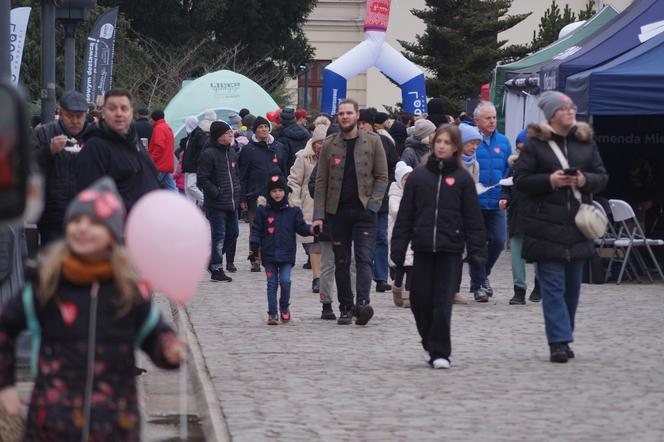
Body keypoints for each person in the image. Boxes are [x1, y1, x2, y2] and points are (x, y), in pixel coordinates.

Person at [0, 178, 185, 439]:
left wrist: (169, 350)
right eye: (76, 221)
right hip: (53, 424)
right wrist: (5, 385)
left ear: (112, 233)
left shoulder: (128, 290)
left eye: (94, 223)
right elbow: (5, 326)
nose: (82, 228)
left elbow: (154, 334)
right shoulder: (48, 285)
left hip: (114, 424)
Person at [514, 91, 608, 363]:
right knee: (553, 287)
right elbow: (521, 180)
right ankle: (558, 342)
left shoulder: (585, 140)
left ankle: (564, 336)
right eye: (565, 108)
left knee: (571, 290)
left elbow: (602, 177)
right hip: (546, 226)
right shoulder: (535, 145)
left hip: (578, 226)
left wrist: (583, 180)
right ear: (552, 114)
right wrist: (550, 181)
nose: (570, 111)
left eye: (572, 107)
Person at [391, 125, 487, 369]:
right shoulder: (419, 178)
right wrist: (399, 249)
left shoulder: (463, 179)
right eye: (439, 141)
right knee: (420, 302)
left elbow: (472, 219)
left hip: (450, 249)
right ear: (433, 144)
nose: (442, 146)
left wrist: (477, 251)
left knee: (442, 303)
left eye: (447, 142)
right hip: (422, 248)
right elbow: (405, 216)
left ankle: (441, 351)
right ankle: (428, 342)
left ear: (455, 147)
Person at [313, 98, 388, 326]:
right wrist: (318, 215)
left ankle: (362, 304)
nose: (345, 117)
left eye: (349, 113)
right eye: (341, 113)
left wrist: (374, 204)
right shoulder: (329, 144)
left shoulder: (373, 142)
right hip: (337, 213)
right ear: (338, 116)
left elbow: (383, 177)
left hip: (365, 212)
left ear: (357, 116)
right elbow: (321, 182)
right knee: (342, 261)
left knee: (364, 258)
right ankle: (345, 307)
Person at [77, 89, 160, 213]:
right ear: (103, 113)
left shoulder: (134, 141)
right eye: (112, 108)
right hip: (119, 226)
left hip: (148, 221)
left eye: (124, 108)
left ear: (131, 113)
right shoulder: (95, 147)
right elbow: (91, 198)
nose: (119, 113)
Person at [250, 172, 313, 325]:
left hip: (286, 253)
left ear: (285, 191)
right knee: (271, 283)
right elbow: (256, 230)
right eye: (273, 191)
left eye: (280, 190)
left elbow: (301, 228)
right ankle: (272, 313)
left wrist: (313, 230)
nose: (277, 194)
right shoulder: (263, 211)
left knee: (285, 281)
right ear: (268, 193)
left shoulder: (293, 211)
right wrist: (254, 249)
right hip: (269, 253)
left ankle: (284, 307)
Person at [33, 91, 92, 245]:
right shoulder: (45, 132)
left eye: (79, 116)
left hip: (87, 214)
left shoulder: (94, 135)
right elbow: (29, 164)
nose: (75, 121)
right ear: (60, 113)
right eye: (70, 116)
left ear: (86, 115)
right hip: (53, 214)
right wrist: (49, 151)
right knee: (52, 263)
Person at [469, 101, 511, 301]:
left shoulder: (503, 142)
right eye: (488, 118)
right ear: (477, 120)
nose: (492, 121)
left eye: (494, 117)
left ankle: (483, 275)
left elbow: (508, 171)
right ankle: (478, 286)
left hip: (496, 202)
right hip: (474, 202)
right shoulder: (470, 141)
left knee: (498, 241)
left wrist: (504, 195)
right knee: (476, 245)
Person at [358, 109, 399, 293]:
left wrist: (383, 185)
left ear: (371, 124)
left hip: (380, 198)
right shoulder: (352, 142)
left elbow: (394, 168)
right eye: (359, 123)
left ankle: (381, 277)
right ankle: (362, 274)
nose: (361, 127)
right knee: (361, 239)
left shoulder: (384, 142)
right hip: (358, 199)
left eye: (364, 123)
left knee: (381, 237)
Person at [239, 116, 287, 272]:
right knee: (256, 229)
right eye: (260, 127)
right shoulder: (248, 150)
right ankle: (255, 259)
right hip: (256, 194)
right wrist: (243, 197)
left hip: (276, 194)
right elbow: (242, 175)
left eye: (266, 127)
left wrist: (286, 190)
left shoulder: (279, 147)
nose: (264, 130)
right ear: (255, 130)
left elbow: (285, 171)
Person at [197, 121, 241, 281]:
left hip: (232, 202)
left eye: (231, 132)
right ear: (218, 136)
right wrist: (216, 192)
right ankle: (216, 269)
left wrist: (237, 192)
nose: (231, 135)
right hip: (216, 203)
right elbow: (202, 179)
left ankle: (211, 259)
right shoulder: (208, 154)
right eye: (227, 133)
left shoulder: (232, 152)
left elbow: (236, 174)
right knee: (219, 235)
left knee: (233, 233)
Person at [502, 129, 540, 305]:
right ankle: (519, 290)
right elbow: (506, 187)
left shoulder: (543, 169)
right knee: (517, 255)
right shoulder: (514, 168)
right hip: (517, 216)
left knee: (539, 254)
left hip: (538, 218)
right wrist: (504, 199)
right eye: (519, 149)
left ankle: (539, 286)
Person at [288, 124, 326, 294]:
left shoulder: (334, 158)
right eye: (318, 143)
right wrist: (295, 201)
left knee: (327, 243)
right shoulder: (303, 158)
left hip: (329, 205)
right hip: (309, 203)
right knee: (315, 242)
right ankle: (317, 278)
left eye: (324, 142)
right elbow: (294, 181)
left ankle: (326, 276)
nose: (321, 146)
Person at [452, 123, 483, 304]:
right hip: (450, 211)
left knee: (459, 252)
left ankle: (455, 290)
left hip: (465, 212)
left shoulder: (474, 164)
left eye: (476, 144)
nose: (474, 147)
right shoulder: (453, 163)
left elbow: (474, 186)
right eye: (471, 143)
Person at [388, 161, 414, 308]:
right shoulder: (395, 195)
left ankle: (408, 294)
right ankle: (397, 287)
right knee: (401, 266)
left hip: (413, 235)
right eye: (405, 179)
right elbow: (395, 211)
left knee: (411, 265)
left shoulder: (416, 193)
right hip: (398, 235)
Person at [183, 111, 215, 206]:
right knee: (188, 190)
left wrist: (197, 162)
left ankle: (206, 201)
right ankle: (191, 211)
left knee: (191, 186)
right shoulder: (193, 134)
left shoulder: (199, 135)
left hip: (194, 166)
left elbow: (201, 151)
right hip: (189, 166)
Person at [148, 110, 176, 191]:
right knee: (172, 188)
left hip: (160, 164)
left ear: (154, 119)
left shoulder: (158, 128)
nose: (150, 121)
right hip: (167, 163)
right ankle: (180, 202)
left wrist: (151, 159)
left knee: (151, 187)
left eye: (151, 119)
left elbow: (159, 147)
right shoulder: (167, 127)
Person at [278, 107, 311, 171]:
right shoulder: (306, 133)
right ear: (294, 119)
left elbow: (283, 161)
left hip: (290, 173)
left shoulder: (282, 137)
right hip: (305, 171)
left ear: (281, 121)